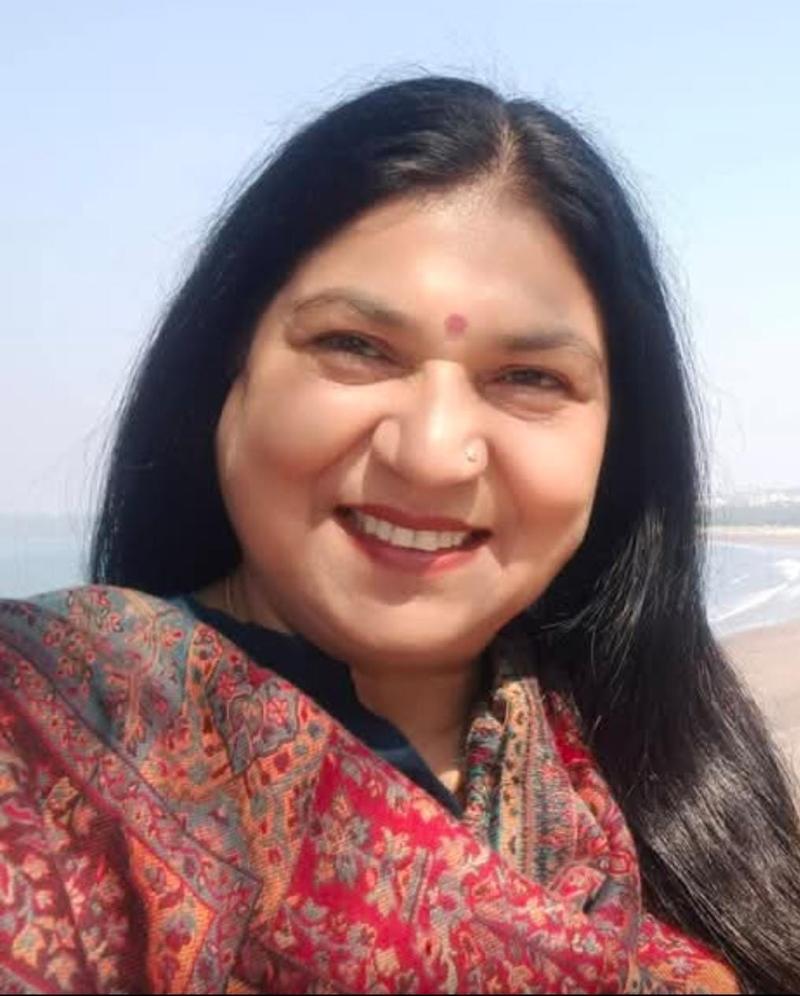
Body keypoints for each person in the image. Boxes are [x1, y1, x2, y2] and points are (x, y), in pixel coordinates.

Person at [0, 76, 797, 994]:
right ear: (229, 366)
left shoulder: (681, 780)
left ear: (617, 441)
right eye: (356, 346)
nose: (431, 454)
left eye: (530, 377)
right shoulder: (48, 743)